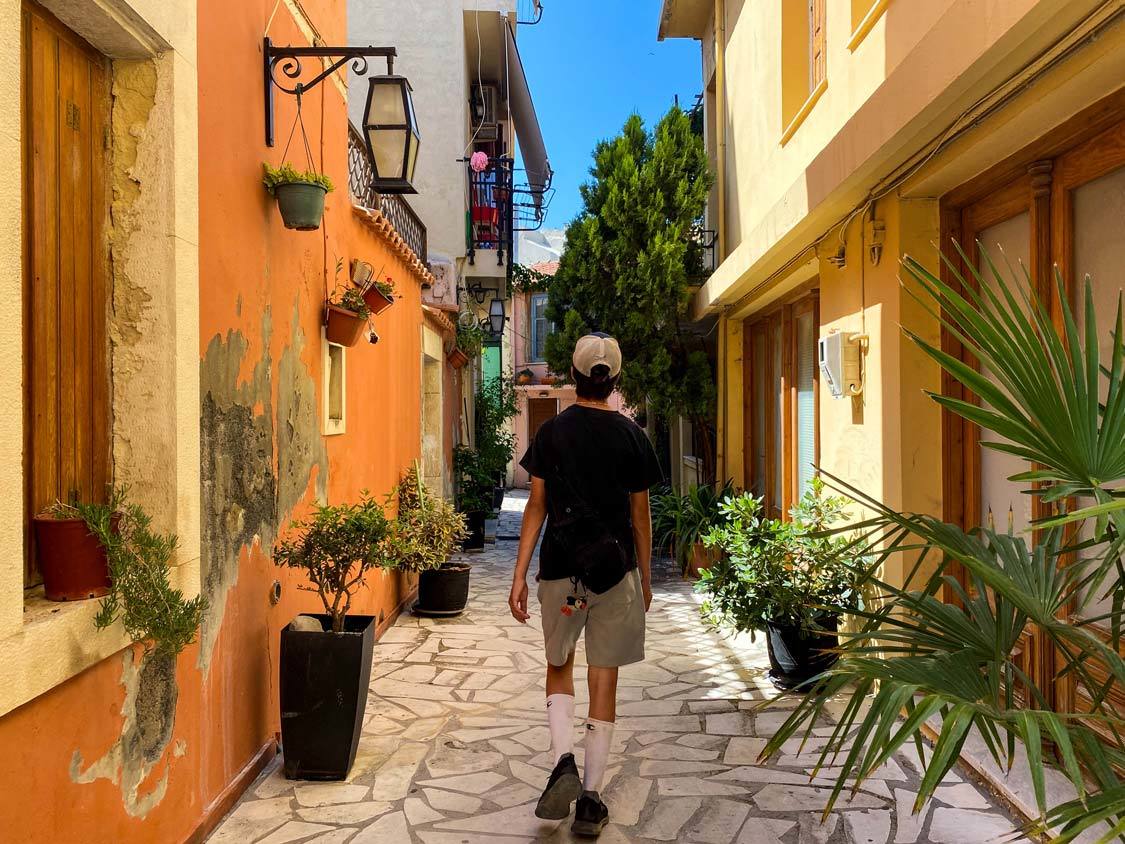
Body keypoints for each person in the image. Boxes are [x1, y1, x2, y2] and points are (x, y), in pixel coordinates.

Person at [508, 333, 662, 838]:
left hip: (562, 574)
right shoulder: (633, 438)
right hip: (615, 576)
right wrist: (645, 576)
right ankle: (591, 800)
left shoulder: (552, 434)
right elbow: (641, 517)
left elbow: (536, 506)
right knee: (604, 676)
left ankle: (562, 763)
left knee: (559, 665)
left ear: (573, 378)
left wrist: (518, 575)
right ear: (614, 379)